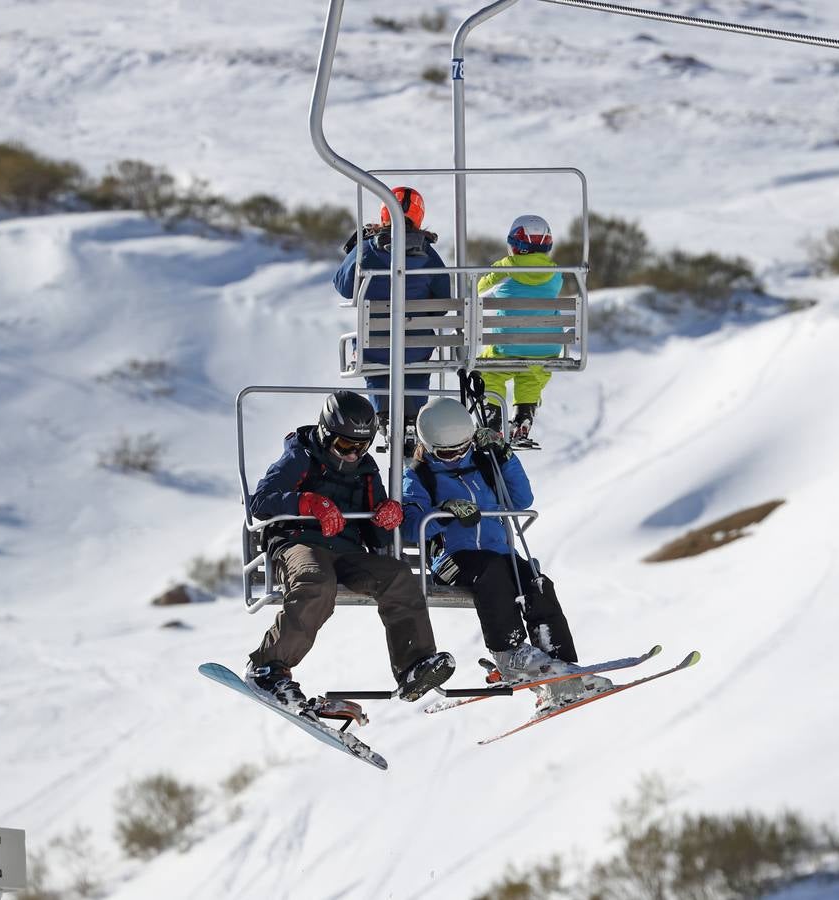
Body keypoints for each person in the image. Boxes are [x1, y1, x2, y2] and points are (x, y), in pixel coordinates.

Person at [245, 390, 455, 720]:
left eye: (362, 446)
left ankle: (414, 664)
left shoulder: (366, 469)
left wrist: (386, 517)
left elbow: (377, 535)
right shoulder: (300, 455)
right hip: (299, 543)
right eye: (345, 446)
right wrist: (306, 503)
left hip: (347, 551)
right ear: (326, 434)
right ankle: (268, 667)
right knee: (316, 582)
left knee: (398, 575)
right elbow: (261, 500)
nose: (353, 454)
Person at [399, 397, 609, 712]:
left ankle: (561, 669)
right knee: (493, 572)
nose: (457, 456)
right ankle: (509, 654)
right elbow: (408, 525)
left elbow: (521, 498)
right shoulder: (419, 476)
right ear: (428, 447)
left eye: (463, 447)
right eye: (446, 452)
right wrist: (444, 513)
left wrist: (504, 455)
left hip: (498, 550)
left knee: (536, 583)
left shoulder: (484, 463)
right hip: (452, 559)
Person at [333, 186, 450, 453]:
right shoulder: (428, 254)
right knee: (415, 360)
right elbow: (444, 298)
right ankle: (414, 418)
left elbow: (342, 284)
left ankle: (383, 414)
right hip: (417, 346)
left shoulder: (368, 249)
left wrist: (356, 248)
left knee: (376, 360)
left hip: (375, 347)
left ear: (384, 213)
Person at [476, 214, 564, 446]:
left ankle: (493, 423)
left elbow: (480, 291)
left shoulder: (506, 269)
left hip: (507, 347)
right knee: (532, 375)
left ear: (515, 245)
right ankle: (523, 418)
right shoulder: (557, 273)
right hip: (546, 348)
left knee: (490, 371)